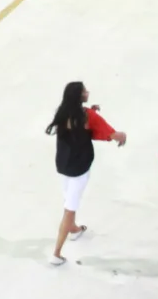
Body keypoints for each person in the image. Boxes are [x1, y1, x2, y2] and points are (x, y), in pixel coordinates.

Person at [46, 81, 127, 265]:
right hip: (79, 169)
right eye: (84, 91)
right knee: (69, 208)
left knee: (69, 199)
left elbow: (79, 125)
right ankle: (56, 253)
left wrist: (92, 111)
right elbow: (111, 133)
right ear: (79, 96)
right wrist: (122, 136)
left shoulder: (63, 112)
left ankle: (74, 230)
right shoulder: (86, 116)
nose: (87, 92)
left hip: (63, 166)